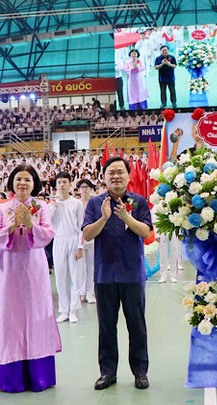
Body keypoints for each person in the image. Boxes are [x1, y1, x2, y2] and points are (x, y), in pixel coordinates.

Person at [0, 164, 62, 392]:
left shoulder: (41, 207)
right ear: (11, 183)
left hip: (34, 268)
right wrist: (11, 227)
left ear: (34, 184)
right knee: (11, 318)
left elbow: (49, 233)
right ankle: (12, 378)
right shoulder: (2, 208)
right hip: (9, 269)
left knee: (36, 315)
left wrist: (31, 226)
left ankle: (39, 375)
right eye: (18, 179)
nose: (22, 183)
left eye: (27, 180)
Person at [82, 157, 152, 390]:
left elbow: (145, 232)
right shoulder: (94, 204)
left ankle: (140, 372)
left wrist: (126, 217)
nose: (116, 176)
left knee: (137, 325)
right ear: (104, 176)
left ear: (128, 176)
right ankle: (107, 372)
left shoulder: (139, 202)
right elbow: (88, 235)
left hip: (132, 273)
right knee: (106, 327)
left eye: (120, 172)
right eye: (111, 172)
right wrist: (104, 217)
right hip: (105, 275)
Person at [51, 172, 85, 323]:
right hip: (58, 240)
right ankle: (63, 310)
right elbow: (48, 224)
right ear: (56, 186)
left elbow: (81, 227)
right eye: (59, 182)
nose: (62, 185)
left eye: (65, 182)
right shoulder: (52, 204)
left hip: (73, 240)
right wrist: (53, 208)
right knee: (60, 277)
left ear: (70, 184)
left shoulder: (76, 203)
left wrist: (80, 246)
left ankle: (73, 310)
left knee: (75, 276)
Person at [77, 178, 97, 304]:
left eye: (87, 187)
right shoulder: (76, 204)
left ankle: (90, 292)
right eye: (82, 187)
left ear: (91, 189)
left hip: (92, 238)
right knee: (81, 267)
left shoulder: (94, 203)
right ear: (78, 190)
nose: (84, 189)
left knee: (91, 267)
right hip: (79, 240)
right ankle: (81, 292)